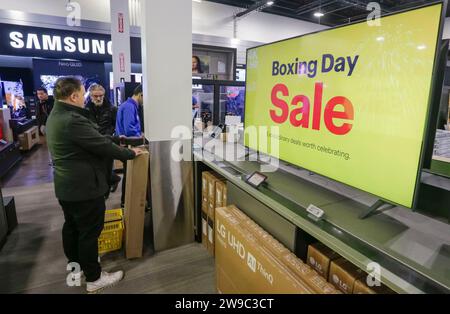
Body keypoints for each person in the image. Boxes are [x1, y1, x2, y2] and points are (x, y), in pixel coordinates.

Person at [46, 76, 143, 293]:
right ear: (73, 96)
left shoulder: (55, 115)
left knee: (72, 228)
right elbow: (100, 144)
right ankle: (94, 278)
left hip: (67, 186)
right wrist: (129, 153)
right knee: (89, 232)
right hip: (84, 187)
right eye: (83, 94)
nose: (85, 98)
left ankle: (77, 268)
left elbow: (95, 140)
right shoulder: (72, 119)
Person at [85, 83, 121, 195]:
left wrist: (109, 134)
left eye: (101, 95)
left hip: (107, 142)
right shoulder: (85, 109)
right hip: (91, 143)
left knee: (105, 168)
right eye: (96, 96)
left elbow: (115, 125)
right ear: (90, 96)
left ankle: (104, 193)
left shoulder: (112, 108)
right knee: (95, 169)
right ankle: (114, 179)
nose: (99, 98)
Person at [115, 84, 144, 206]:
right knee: (130, 175)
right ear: (141, 95)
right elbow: (129, 130)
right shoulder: (129, 107)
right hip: (128, 146)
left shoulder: (131, 106)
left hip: (127, 145)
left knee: (129, 174)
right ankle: (126, 202)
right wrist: (141, 137)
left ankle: (127, 202)